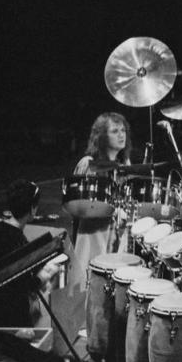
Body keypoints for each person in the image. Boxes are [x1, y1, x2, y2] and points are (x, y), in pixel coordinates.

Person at [0, 180, 60, 328]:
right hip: (15, 316)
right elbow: (26, 286)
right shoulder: (19, 242)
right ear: (32, 209)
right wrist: (47, 274)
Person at [69, 112, 132, 296]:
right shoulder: (88, 163)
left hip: (116, 237)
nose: (121, 135)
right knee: (92, 295)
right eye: (115, 131)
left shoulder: (124, 165)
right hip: (93, 236)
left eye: (123, 130)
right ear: (102, 136)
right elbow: (77, 206)